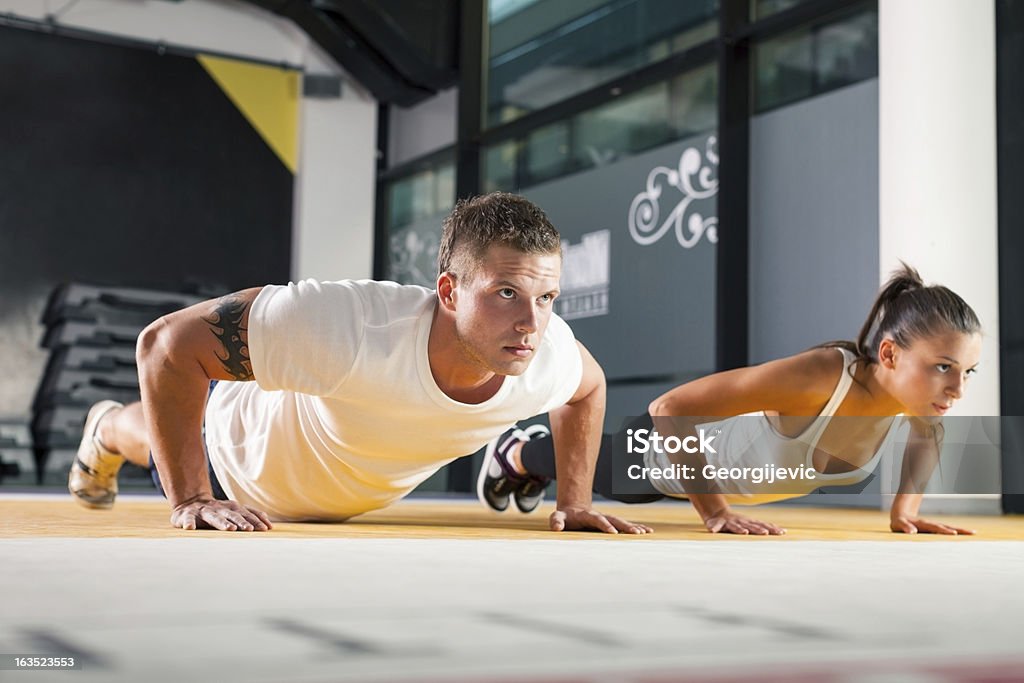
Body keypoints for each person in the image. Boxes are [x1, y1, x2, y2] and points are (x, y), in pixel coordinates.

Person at [68, 192, 652, 535]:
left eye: (546, 298)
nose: (531, 322)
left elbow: (588, 389)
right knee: (149, 434)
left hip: (337, 495)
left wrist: (574, 502)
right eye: (506, 293)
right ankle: (105, 428)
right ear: (448, 292)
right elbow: (165, 346)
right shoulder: (349, 322)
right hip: (237, 460)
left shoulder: (544, 354)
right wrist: (191, 498)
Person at [479, 264, 982, 536]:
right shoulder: (823, 377)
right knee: (587, 468)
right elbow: (670, 409)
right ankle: (517, 452)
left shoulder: (920, 411)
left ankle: (529, 456)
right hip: (659, 456)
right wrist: (715, 511)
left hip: (700, 475)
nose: (957, 390)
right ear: (890, 353)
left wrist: (905, 511)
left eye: (967, 372)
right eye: (943, 368)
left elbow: (927, 437)